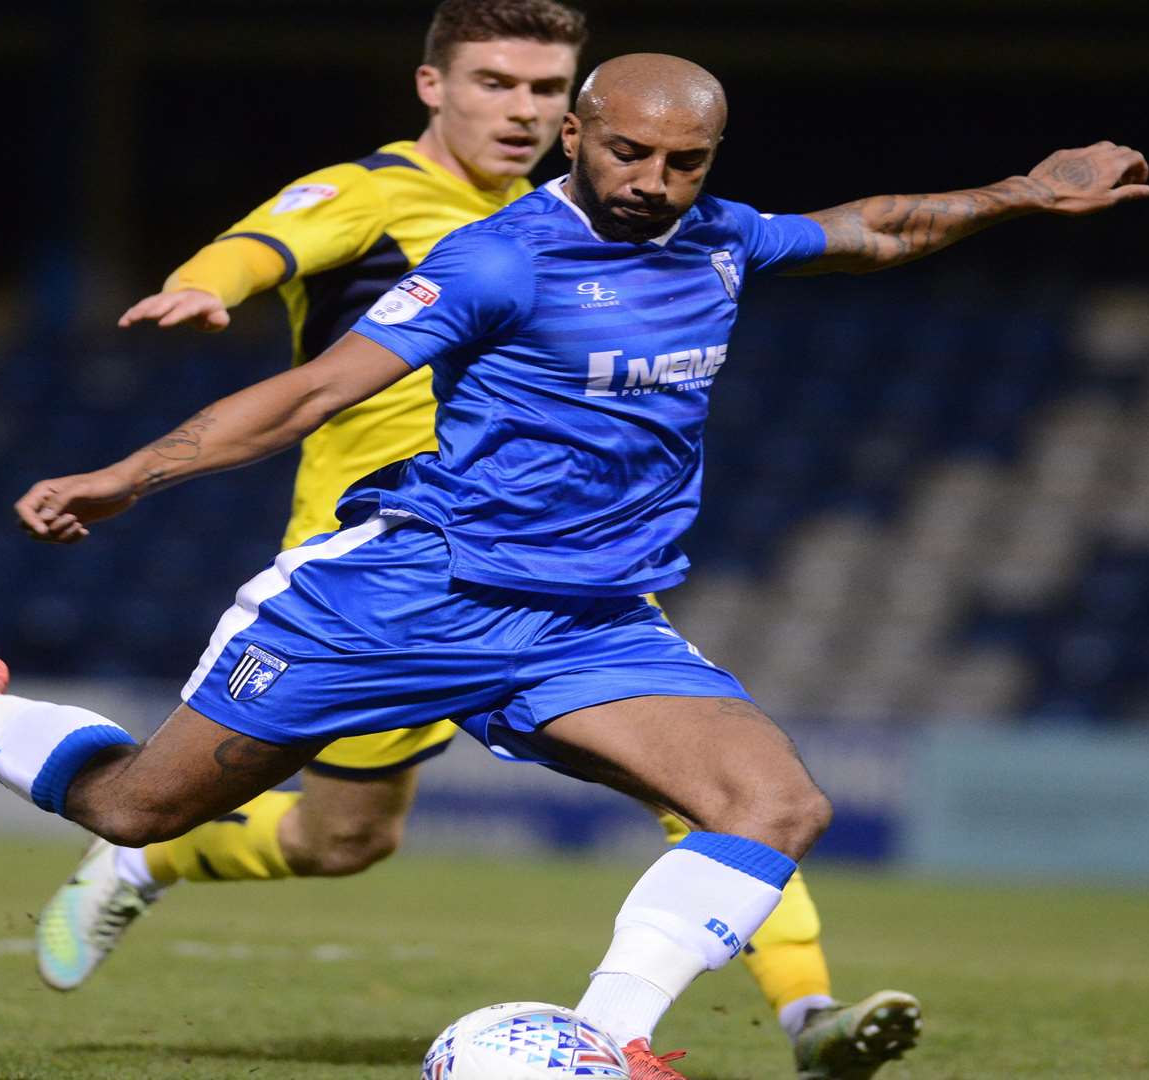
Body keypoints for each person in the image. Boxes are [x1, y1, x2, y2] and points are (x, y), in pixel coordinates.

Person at [0, 52, 1149, 1079]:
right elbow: (315, 394)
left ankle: (605, 1045)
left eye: (683, 165)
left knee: (772, 803)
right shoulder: (498, 258)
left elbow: (877, 228)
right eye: (626, 155)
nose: (652, 185)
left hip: (589, 623)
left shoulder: (720, 241)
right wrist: (129, 476)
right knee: (140, 810)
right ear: (576, 136)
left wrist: (1021, 194)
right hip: (399, 595)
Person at [47, 3, 917, 1075]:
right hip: (384, 570)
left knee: (727, 792)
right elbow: (266, 249)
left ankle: (786, 1015)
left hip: (563, 579)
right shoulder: (387, 203)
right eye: (498, 84)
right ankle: (142, 859)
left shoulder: (645, 215)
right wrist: (198, 288)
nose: (523, 109)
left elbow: (845, 231)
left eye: (546, 89)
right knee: (341, 841)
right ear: (434, 87)